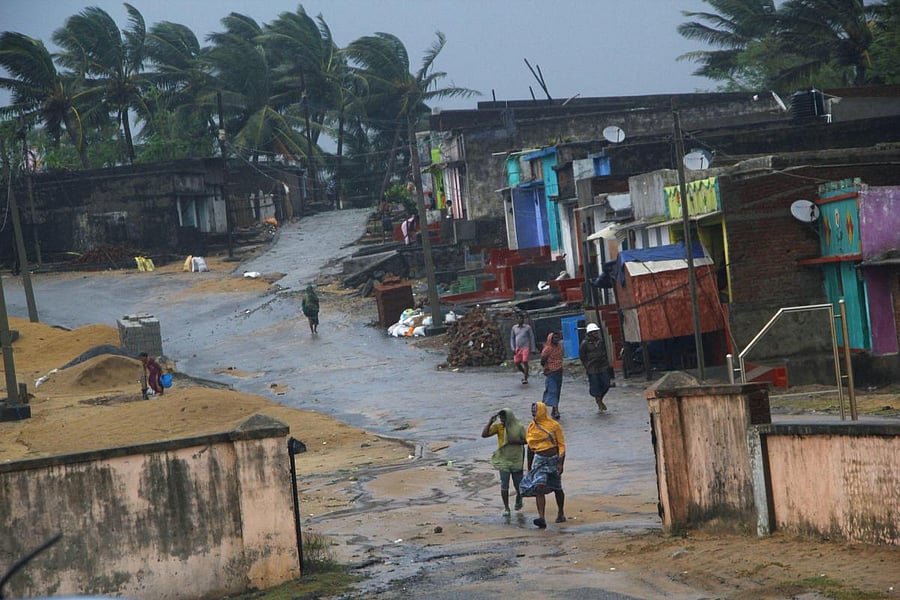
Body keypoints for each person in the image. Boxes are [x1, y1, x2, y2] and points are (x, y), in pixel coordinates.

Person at [525, 401, 566, 528]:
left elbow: (561, 445)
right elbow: (530, 448)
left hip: (553, 460)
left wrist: (561, 463)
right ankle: (541, 517)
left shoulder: (554, 426)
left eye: (535, 410)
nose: (533, 413)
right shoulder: (531, 427)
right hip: (539, 460)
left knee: (557, 488)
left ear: (541, 410)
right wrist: (529, 467)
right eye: (532, 410)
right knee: (539, 487)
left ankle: (560, 512)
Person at [481, 407, 527, 517]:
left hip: (516, 459)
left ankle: (519, 498)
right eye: (500, 418)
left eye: (504, 418)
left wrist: (514, 442)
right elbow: (484, 434)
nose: (502, 420)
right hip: (503, 460)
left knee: (518, 485)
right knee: (504, 485)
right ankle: (506, 508)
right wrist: (490, 422)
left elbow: (526, 440)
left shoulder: (519, 427)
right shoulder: (499, 427)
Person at [580, 322, 610, 411]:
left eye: (597, 332)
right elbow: (582, 356)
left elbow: (605, 352)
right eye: (595, 332)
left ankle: (600, 399)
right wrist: (587, 366)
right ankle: (599, 402)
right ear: (590, 333)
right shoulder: (585, 344)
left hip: (603, 366)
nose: (596, 334)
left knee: (606, 384)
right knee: (596, 387)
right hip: (592, 368)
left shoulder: (600, 342)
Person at [540, 331, 564, 419]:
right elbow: (543, 360)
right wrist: (547, 367)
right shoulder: (547, 349)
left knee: (557, 391)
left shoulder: (559, 347)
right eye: (554, 338)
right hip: (551, 372)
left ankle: (554, 408)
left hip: (559, 371)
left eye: (557, 338)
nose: (556, 340)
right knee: (552, 390)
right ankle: (556, 410)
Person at [509, 312, 536, 384]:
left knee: (525, 361)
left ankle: (525, 378)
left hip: (525, 347)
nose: (520, 320)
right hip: (518, 348)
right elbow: (512, 338)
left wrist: (533, 348)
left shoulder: (527, 328)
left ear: (523, 320)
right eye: (519, 318)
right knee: (517, 362)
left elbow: (531, 337)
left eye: (521, 318)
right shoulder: (514, 328)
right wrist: (513, 348)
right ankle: (525, 372)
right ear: (517, 320)